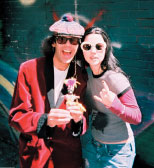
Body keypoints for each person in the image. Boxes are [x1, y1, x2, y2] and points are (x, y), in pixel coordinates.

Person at [9, 13, 88, 168]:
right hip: (36, 156)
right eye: (61, 39)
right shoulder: (29, 69)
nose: (67, 46)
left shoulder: (80, 74)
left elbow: (83, 116)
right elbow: (16, 116)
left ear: (78, 45)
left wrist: (79, 121)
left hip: (68, 157)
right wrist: (45, 120)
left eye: (73, 41)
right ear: (53, 43)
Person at [80, 26, 142, 168]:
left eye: (99, 46)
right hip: (93, 146)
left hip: (117, 152)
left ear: (106, 49)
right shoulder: (86, 76)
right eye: (87, 46)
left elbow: (136, 117)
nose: (93, 51)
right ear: (82, 49)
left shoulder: (115, 79)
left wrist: (114, 104)